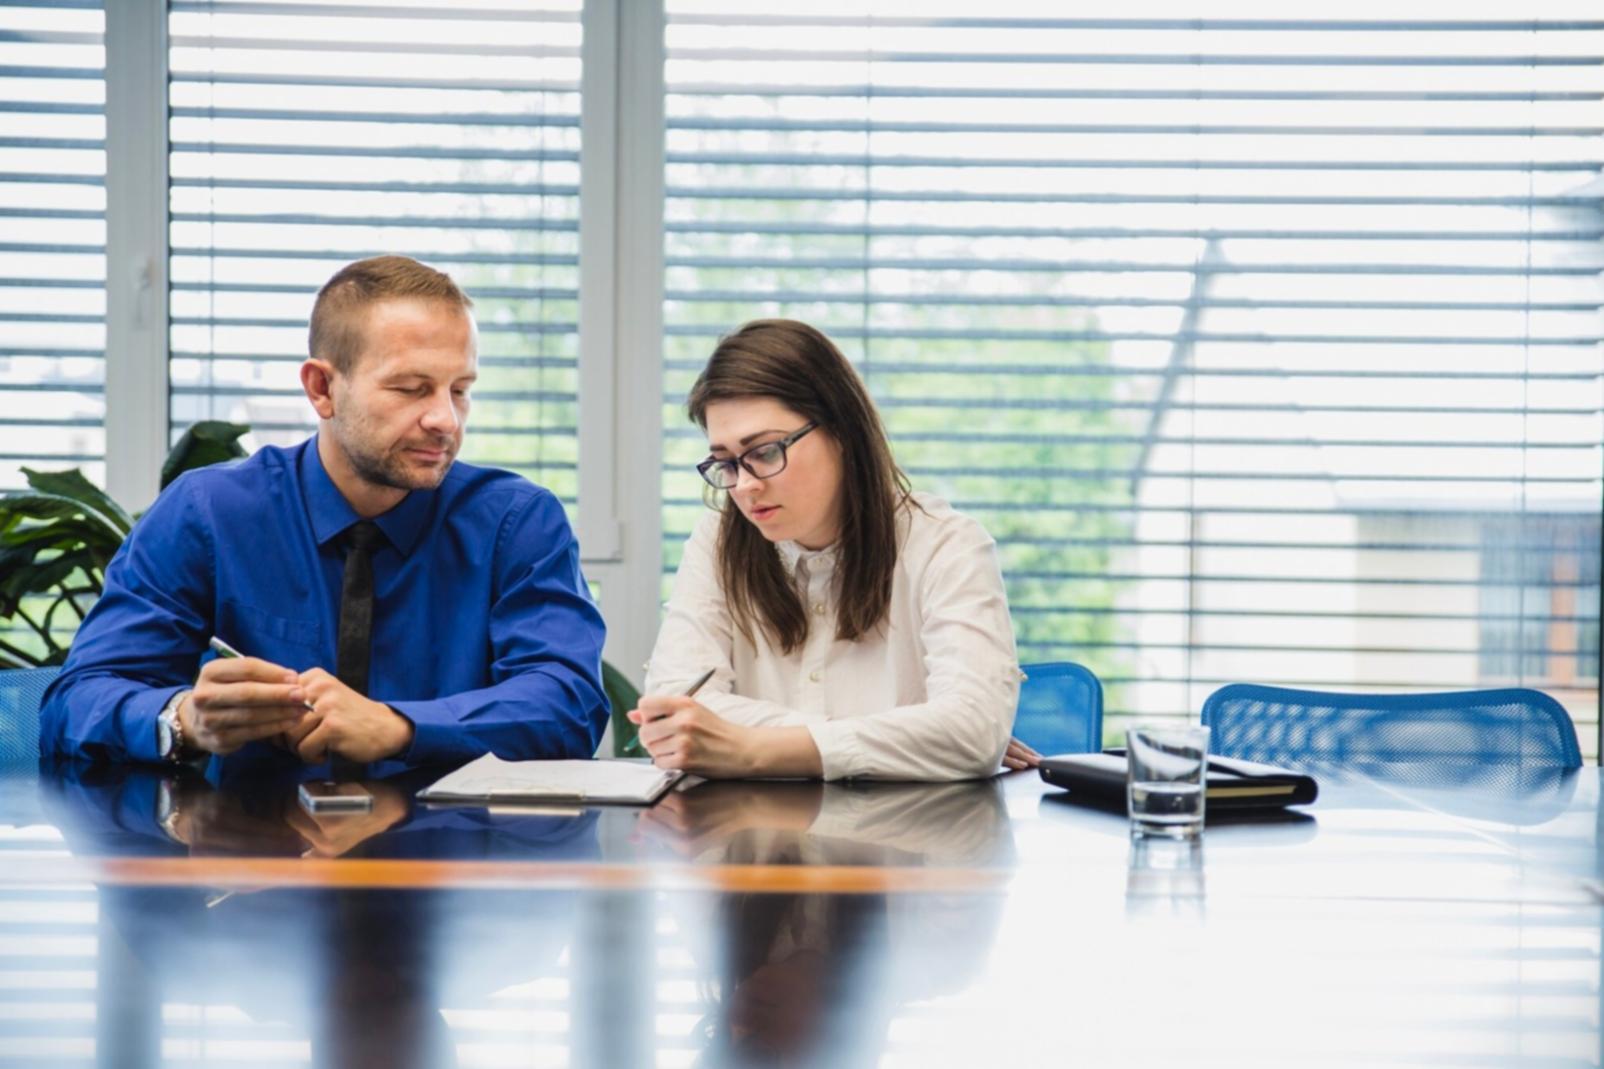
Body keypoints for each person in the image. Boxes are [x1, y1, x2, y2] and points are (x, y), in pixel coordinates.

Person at [39, 255, 607, 771]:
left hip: (454, 846)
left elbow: (569, 703)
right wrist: (183, 719)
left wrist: (398, 727)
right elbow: (76, 701)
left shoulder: (517, 523)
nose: (445, 420)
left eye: (459, 389)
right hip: (248, 844)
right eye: (411, 389)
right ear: (322, 389)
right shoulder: (207, 513)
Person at [629, 319, 1039, 780]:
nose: (743, 486)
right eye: (725, 462)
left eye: (764, 452)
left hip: (908, 826)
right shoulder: (717, 541)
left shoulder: (947, 545)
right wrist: (907, 737)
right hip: (750, 826)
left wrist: (750, 748)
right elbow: (677, 710)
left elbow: (972, 731)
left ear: (842, 431)